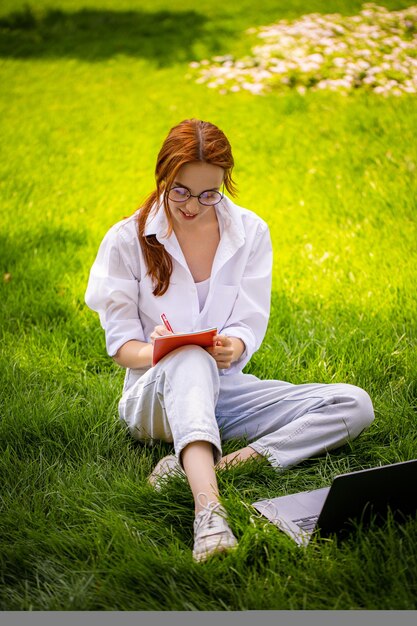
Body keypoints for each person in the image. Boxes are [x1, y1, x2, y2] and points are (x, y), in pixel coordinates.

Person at [85, 118, 375, 562]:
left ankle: (214, 466)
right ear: (162, 176)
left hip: (226, 393)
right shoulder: (127, 239)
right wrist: (160, 350)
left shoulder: (250, 232)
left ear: (225, 183)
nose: (192, 205)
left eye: (208, 193)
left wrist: (234, 346)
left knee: (354, 403)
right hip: (154, 401)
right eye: (179, 190)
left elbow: (248, 321)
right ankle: (210, 513)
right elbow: (123, 346)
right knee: (186, 357)